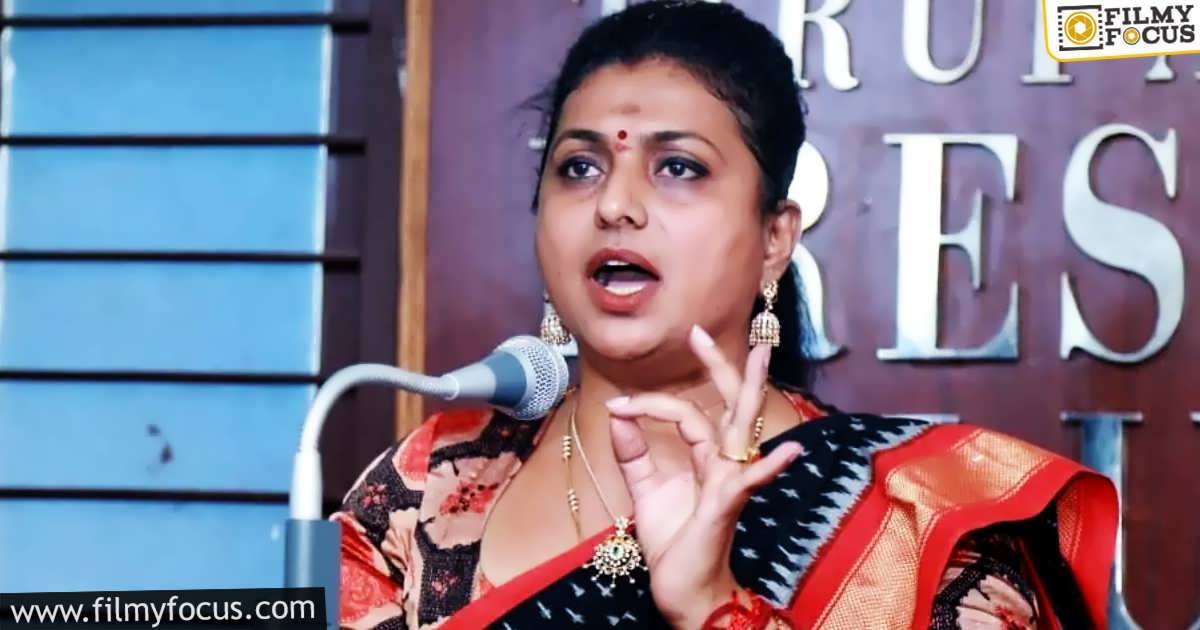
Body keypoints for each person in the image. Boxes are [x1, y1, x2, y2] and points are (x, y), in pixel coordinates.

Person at [332, 2, 1117, 628]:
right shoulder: (432, 482)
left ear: (776, 239)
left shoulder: (912, 520)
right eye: (579, 166)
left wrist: (714, 607)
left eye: (678, 167)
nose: (615, 203)